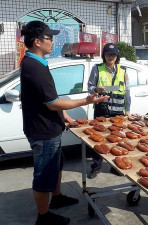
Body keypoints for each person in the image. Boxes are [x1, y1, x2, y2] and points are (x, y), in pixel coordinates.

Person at [20, 21, 109, 225]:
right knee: (43, 176)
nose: (53, 42)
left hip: (51, 128)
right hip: (43, 133)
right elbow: (52, 103)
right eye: (49, 38)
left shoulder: (37, 62)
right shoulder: (34, 67)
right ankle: (43, 217)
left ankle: (57, 198)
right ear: (37, 41)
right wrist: (87, 100)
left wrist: (66, 118)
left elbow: (47, 98)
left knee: (56, 165)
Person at [87, 43, 129, 179]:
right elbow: (89, 87)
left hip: (118, 112)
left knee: (118, 140)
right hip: (101, 110)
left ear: (117, 56)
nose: (111, 57)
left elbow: (127, 91)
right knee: (99, 140)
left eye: (113, 54)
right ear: (104, 56)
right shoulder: (97, 69)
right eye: (108, 54)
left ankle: (116, 166)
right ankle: (96, 167)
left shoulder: (123, 70)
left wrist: (127, 109)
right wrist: (96, 90)